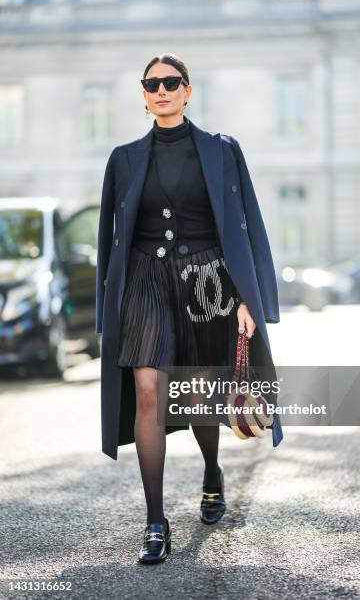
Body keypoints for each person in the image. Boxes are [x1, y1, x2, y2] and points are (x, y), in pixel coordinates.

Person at [96, 52, 282, 565]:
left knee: (199, 390)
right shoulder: (124, 158)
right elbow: (108, 243)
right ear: (144, 93)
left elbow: (247, 224)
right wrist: (107, 306)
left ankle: (211, 471)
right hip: (145, 282)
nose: (161, 90)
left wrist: (250, 296)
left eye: (171, 82)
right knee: (150, 388)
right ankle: (156, 521)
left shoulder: (222, 151)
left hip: (207, 282)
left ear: (188, 90)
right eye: (152, 84)